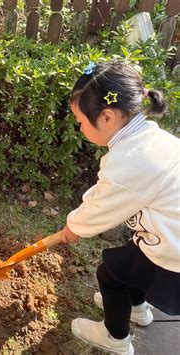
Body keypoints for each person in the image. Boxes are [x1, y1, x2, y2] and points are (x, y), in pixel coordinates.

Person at [60, 61, 180, 355]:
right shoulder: (151, 139)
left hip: (174, 253)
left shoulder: (130, 160)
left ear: (107, 117)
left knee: (111, 275)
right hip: (170, 235)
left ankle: (115, 338)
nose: (79, 127)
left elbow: (100, 207)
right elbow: (112, 191)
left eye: (80, 121)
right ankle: (138, 309)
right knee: (137, 262)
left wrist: (73, 228)